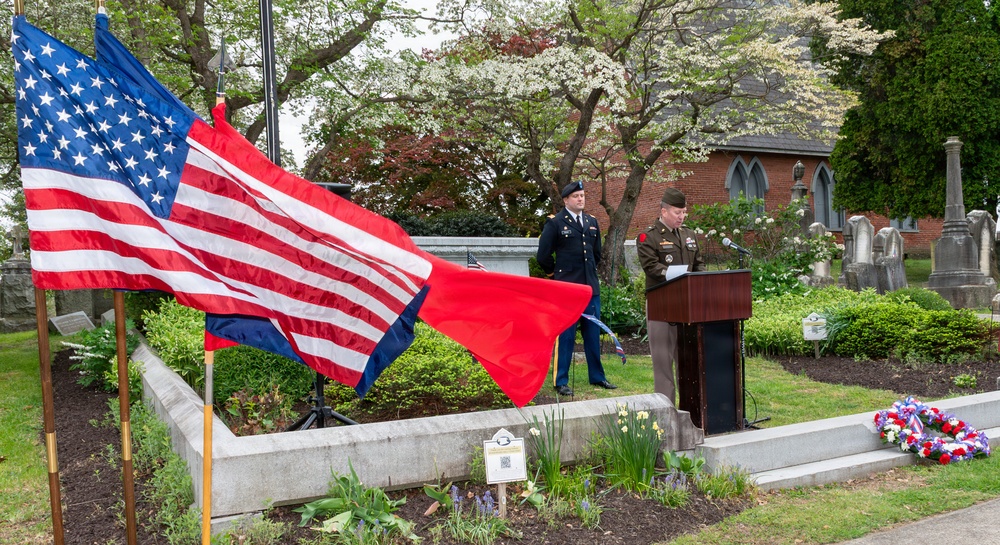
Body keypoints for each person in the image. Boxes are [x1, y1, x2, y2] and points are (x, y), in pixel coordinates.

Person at [536, 180, 616, 396]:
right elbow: (543, 256)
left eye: (582, 195)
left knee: (592, 334)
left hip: (590, 288)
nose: (580, 199)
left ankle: (597, 376)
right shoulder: (555, 222)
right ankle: (560, 380)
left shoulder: (591, 221)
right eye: (576, 196)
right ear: (566, 200)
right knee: (566, 335)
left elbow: (596, 254)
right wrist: (555, 276)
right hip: (567, 290)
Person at [636, 187, 705, 404]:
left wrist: (702, 280)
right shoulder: (649, 236)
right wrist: (674, 274)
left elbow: (698, 263)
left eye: (684, 212)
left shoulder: (689, 235)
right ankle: (666, 408)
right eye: (677, 212)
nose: (682, 216)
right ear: (664, 211)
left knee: (688, 359)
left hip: (688, 305)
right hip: (662, 305)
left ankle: (691, 407)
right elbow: (651, 267)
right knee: (663, 361)